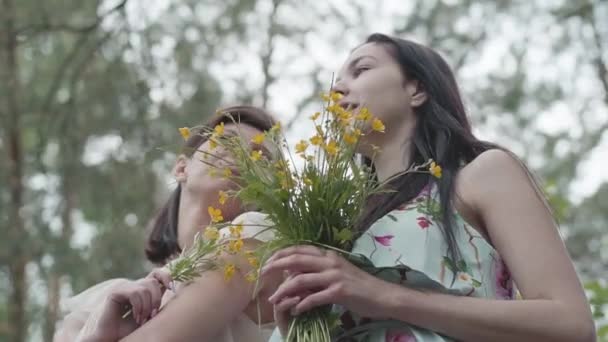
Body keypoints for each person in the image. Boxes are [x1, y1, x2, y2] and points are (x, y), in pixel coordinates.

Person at [264, 34, 595, 341]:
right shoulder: (338, 227)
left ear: (416, 89)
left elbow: (571, 325)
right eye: (335, 83)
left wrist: (385, 296)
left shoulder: (483, 174)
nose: (336, 91)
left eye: (361, 69)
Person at [54, 105, 282, 342]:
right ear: (182, 168)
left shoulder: (257, 241)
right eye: (226, 140)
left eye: (261, 157)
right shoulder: (106, 298)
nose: (245, 156)